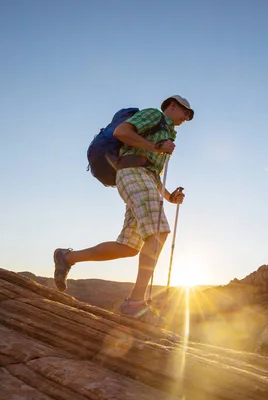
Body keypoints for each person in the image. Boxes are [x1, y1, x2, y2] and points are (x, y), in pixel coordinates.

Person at [53, 95, 194, 323]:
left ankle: (66, 257)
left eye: (189, 115)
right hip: (133, 175)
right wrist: (157, 147)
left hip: (140, 177)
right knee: (158, 232)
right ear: (172, 106)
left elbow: (152, 172)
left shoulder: (166, 134)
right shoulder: (154, 115)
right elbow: (121, 132)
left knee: (128, 247)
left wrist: (169, 197)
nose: (187, 117)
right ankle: (135, 304)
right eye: (185, 112)